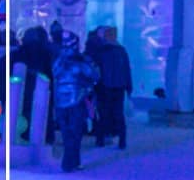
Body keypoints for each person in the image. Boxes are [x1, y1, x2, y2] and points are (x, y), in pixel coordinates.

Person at [52, 31, 99, 172]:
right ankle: (69, 162)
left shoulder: (58, 61)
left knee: (67, 132)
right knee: (75, 131)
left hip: (60, 101)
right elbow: (94, 76)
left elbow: (54, 74)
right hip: (77, 99)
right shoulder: (81, 61)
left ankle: (72, 161)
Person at [95, 28, 133, 149]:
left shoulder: (101, 51)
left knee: (103, 113)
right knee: (118, 113)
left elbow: (97, 70)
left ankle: (101, 138)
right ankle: (122, 140)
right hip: (119, 87)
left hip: (105, 86)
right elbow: (127, 70)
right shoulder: (122, 51)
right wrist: (128, 86)